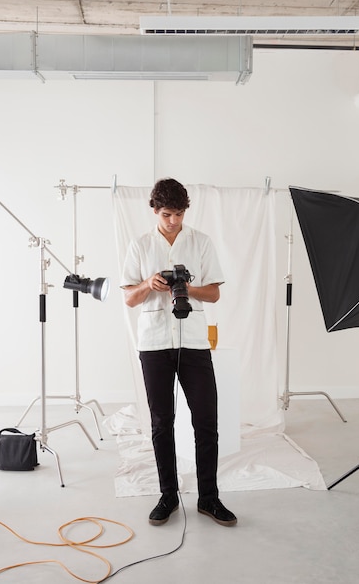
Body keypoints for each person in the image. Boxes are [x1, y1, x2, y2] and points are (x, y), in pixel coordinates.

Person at [120, 178, 237, 527]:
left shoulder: (200, 242)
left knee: (206, 420)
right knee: (161, 423)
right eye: (168, 214)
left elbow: (215, 293)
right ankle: (168, 495)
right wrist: (148, 284)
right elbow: (128, 297)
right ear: (155, 210)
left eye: (180, 213)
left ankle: (209, 498)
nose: (174, 220)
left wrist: (187, 288)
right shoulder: (140, 246)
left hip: (194, 342)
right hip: (154, 343)